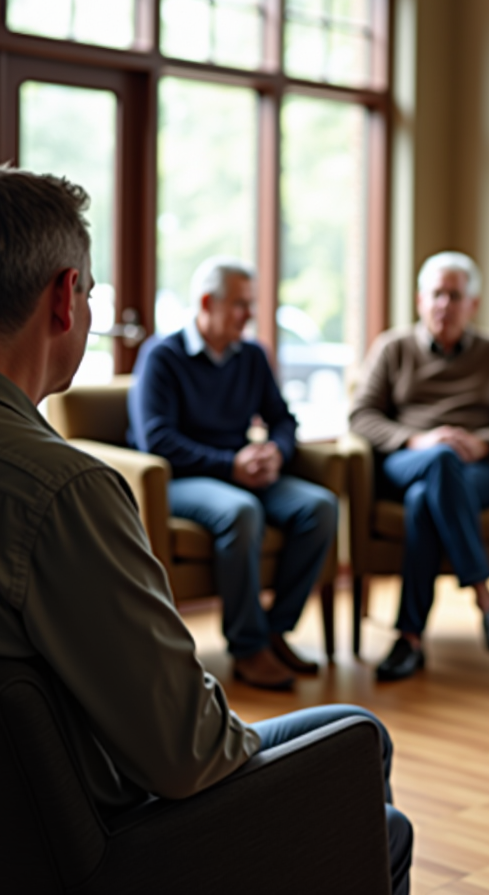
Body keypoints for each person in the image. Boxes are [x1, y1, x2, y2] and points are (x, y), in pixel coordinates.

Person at [0, 168, 411, 893]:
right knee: (363, 758)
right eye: (90, 292)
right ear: (64, 298)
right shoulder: (60, 493)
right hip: (104, 847)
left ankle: (267, 639)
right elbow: (190, 756)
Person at [129, 257, 337, 691]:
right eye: (241, 305)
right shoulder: (161, 356)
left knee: (319, 507)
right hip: (181, 478)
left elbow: (282, 419)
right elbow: (157, 440)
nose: (249, 315)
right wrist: (231, 464)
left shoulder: (253, 355)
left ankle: (274, 631)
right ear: (207, 301)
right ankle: (247, 648)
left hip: (241, 470)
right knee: (240, 512)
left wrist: (275, 453)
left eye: (251, 305)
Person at [350, 251, 489, 681]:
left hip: (478, 471)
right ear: (420, 300)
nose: (444, 305)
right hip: (409, 460)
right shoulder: (392, 348)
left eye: (455, 296)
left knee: (425, 501)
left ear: (472, 304)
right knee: (436, 462)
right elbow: (360, 416)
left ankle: (410, 641)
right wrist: (416, 440)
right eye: (437, 294)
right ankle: (486, 600)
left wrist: (484, 444)